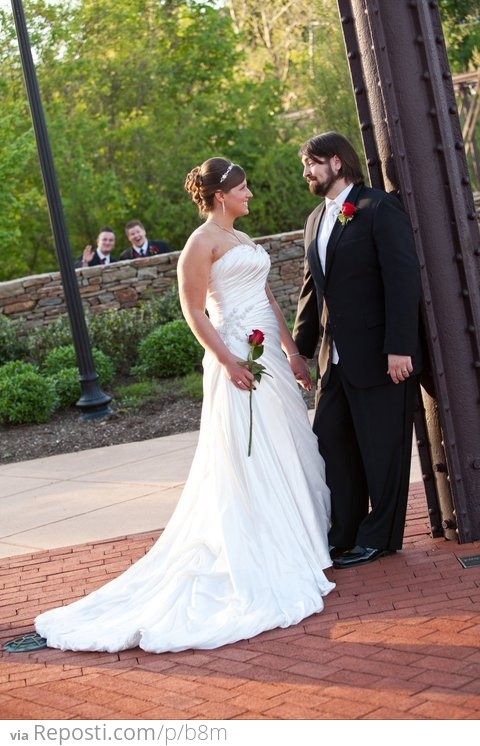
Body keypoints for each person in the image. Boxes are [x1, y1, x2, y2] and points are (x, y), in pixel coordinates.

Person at [33, 157, 334, 654]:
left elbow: (267, 299)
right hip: (236, 359)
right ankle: (259, 550)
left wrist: (293, 351)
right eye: (243, 189)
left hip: (269, 360)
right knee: (249, 456)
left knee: (287, 447)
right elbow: (194, 311)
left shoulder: (239, 239)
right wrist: (230, 361)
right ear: (221, 196)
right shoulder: (200, 244)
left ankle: (304, 540)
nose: (250, 195)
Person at [293, 131, 423, 569]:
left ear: (335, 161)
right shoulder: (315, 219)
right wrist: (299, 351)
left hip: (383, 357)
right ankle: (342, 532)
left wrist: (401, 347)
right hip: (335, 361)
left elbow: (402, 280)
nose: (306, 173)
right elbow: (313, 291)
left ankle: (379, 537)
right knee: (330, 443)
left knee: (383, 449)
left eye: (310, 163)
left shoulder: (378, 208)